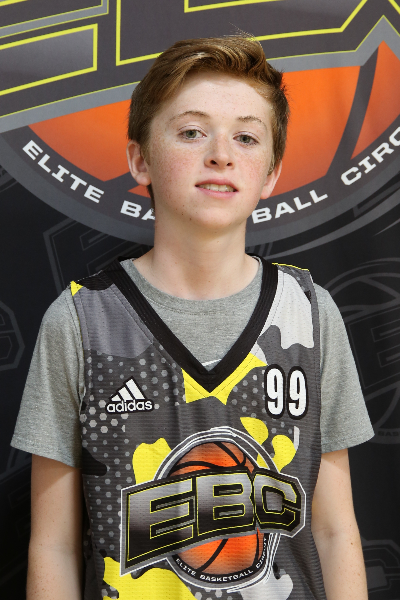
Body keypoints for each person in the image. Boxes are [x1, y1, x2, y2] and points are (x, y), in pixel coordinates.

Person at [12, 36, 373, 600]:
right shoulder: (81, 321)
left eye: (246, 137)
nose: (221, 154)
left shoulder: (309, 313)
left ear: (271, 173)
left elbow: (333, 531)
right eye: (191, 132)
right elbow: (53, 545)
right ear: (140, 159)